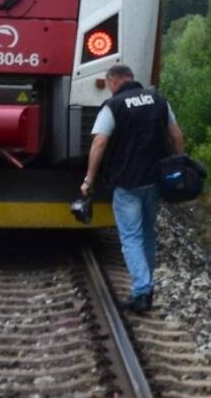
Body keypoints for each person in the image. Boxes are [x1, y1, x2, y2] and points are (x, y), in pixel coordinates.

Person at [80, 63, 185, 313]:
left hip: (127, 183)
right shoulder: (158, 101)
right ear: (131, 78)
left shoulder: (113, 106)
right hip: (155, 180)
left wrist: (89, 179)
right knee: (147, 233)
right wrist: (179, 166)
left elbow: (100, 143)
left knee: (130, 237)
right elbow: (177, 136)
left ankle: (141, 293)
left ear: (112, 82)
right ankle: (146, 287)